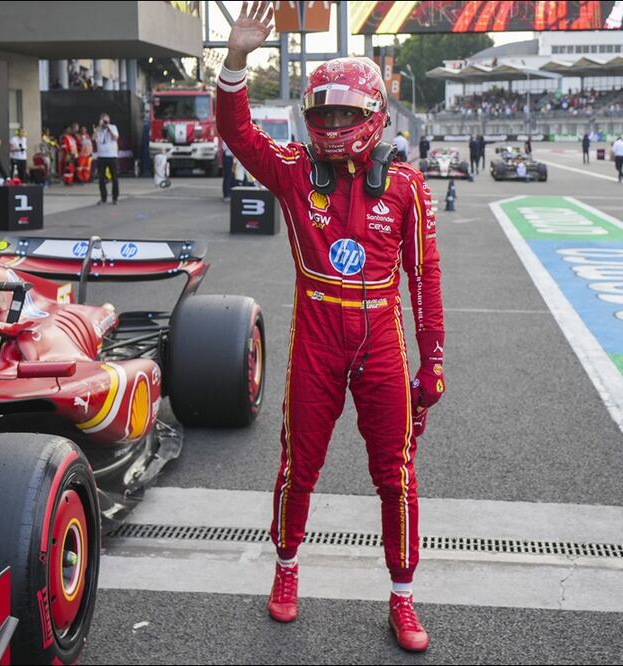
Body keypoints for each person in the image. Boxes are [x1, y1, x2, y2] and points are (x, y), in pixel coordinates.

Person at [219, 2, 444, 653]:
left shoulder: (405, 184)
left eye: (347, 113)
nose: (335, 124)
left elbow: (424, 279)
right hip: (315, 342)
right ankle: (286, 572)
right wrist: (236, 59)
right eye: (325, 113)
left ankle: (402, 598)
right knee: (299, 467)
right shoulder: (292, 172)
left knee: (395, 473)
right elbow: (237, 135)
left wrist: (431, 360)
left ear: (372, 115)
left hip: (380, 339)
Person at [94, 113, 120, 204]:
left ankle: (115, 197)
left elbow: (115, 138)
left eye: (106, 121)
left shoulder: (113, 127)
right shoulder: (98, 129)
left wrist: (108, 127)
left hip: (112, 156)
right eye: (103, 121)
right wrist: (98, 127)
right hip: (101, 156)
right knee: (101, 178)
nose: (105, 123)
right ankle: (103, 197)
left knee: (114, 178)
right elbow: (94, 137)